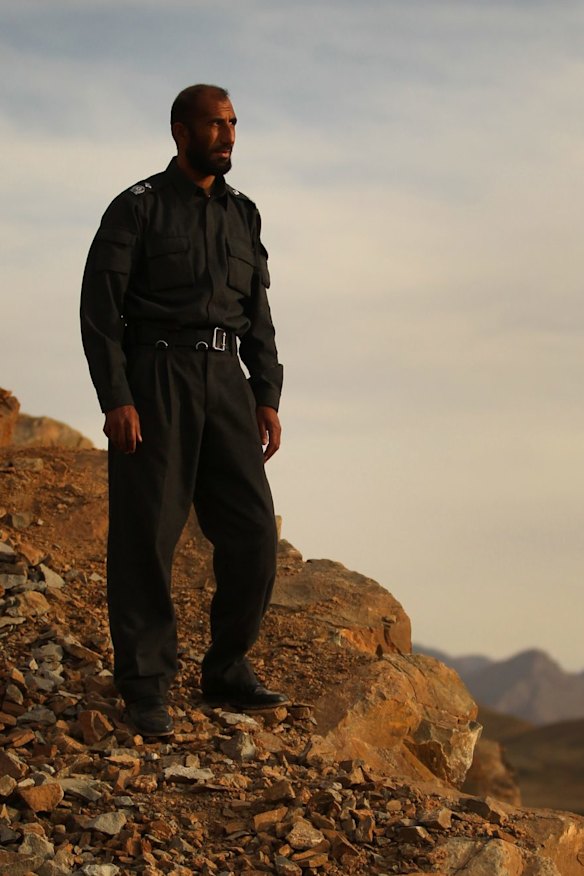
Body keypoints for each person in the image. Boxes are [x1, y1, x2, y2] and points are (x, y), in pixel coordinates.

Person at [80, 83, 287, 737]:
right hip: (158, 376)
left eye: (232, 124)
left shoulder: (243, 215)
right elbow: (99, 309)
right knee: (148, 535)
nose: (227, 135)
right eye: (214, 125)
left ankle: (226, 668)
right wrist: (117, 396)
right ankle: (145, 683)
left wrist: (267, 392)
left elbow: (257, 312)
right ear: (180, 132)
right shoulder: (136, 208)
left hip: (227, 381)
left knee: (253, 529)